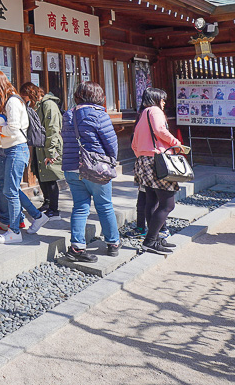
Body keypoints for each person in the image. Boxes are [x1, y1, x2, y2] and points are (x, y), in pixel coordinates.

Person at [0, 70, 48, 243]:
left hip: (16, 149)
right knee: (11, 189)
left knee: (10, 191)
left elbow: (12, 128)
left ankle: (14, 231)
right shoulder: (4, 102)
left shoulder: (12, 101)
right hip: (10, 148)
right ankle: (37, 216)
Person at [62, 81, 120, 261]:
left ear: (78, 95)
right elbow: (111, 143)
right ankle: (112, 243)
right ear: (98, 96)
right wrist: (111, 160)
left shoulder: (68, 114)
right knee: (104, 205)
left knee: (80, 206)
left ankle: (77, 247)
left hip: (72, 166)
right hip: (96, 168)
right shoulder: (99, 115)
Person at [132, 87, 185, 255]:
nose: (164, 103)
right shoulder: (155, 111)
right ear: (156, 99)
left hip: (143, 161)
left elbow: (134, 143)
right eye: (162, 99)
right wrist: (176, 143)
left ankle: (154, 237)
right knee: (167, 204)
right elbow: (160, 131)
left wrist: (142, 154)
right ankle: (151, 240)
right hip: (158, 161)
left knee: (151, 201)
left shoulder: (142, 115)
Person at [21, 82, 64, 218]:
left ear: (31, 94)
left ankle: (54, 209)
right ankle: (47, 202)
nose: (25, 99)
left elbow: (53, 129)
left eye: (25, 96)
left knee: (50, 177)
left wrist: (51, 152)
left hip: (49, 146)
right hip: (39, 146)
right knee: (41, 176)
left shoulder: (48, 105)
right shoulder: (36, 105)